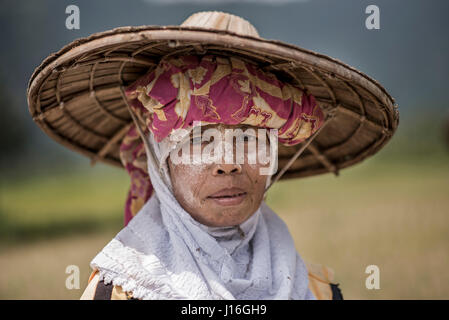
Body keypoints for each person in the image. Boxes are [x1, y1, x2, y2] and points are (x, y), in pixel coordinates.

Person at [27, 11, 398, 300]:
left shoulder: (317, 290)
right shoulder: (121, 290)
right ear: (160, 161)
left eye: (250, 137)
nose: (229, 163)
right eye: (198, 139)